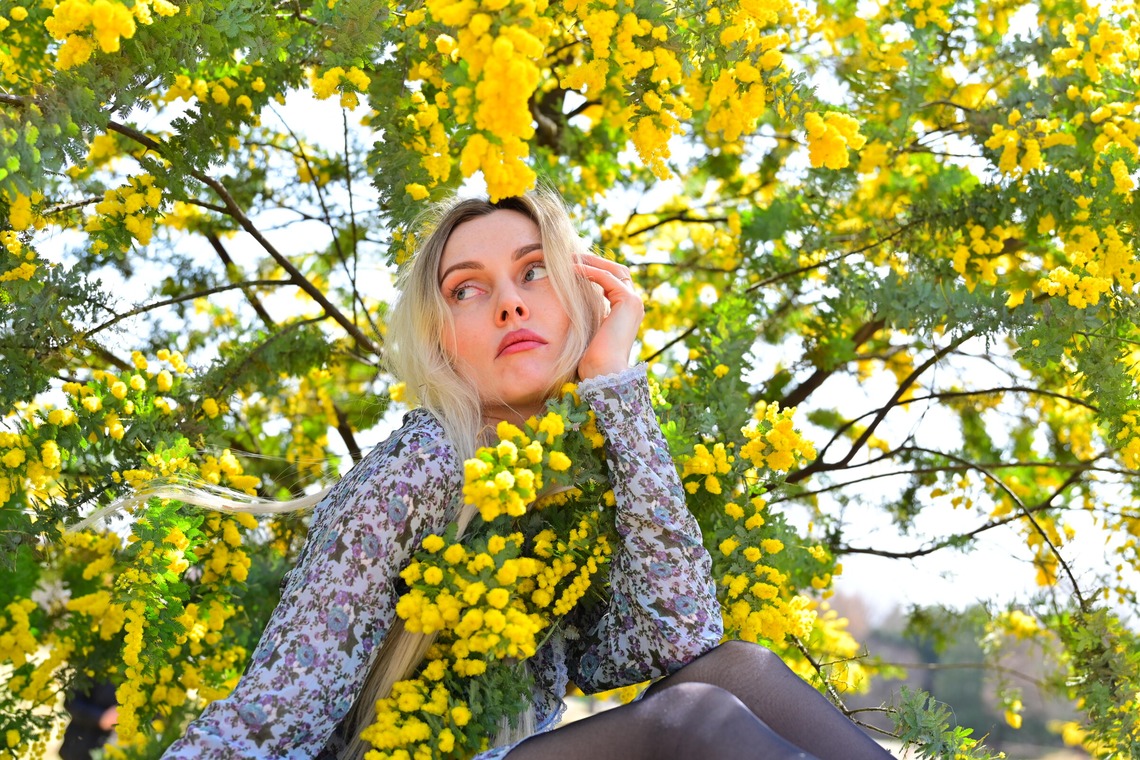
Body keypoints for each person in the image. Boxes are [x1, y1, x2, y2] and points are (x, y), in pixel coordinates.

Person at [156, 189, 892, 759]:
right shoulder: (423, 466)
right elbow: (276, 711)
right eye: (466, 290)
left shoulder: (584, 477)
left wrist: (615, 388)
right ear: (442, 344)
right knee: (691, 718)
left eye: (534, 272)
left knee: (737, 670)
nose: (510, 301)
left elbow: (681, 637)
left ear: (580, 297)